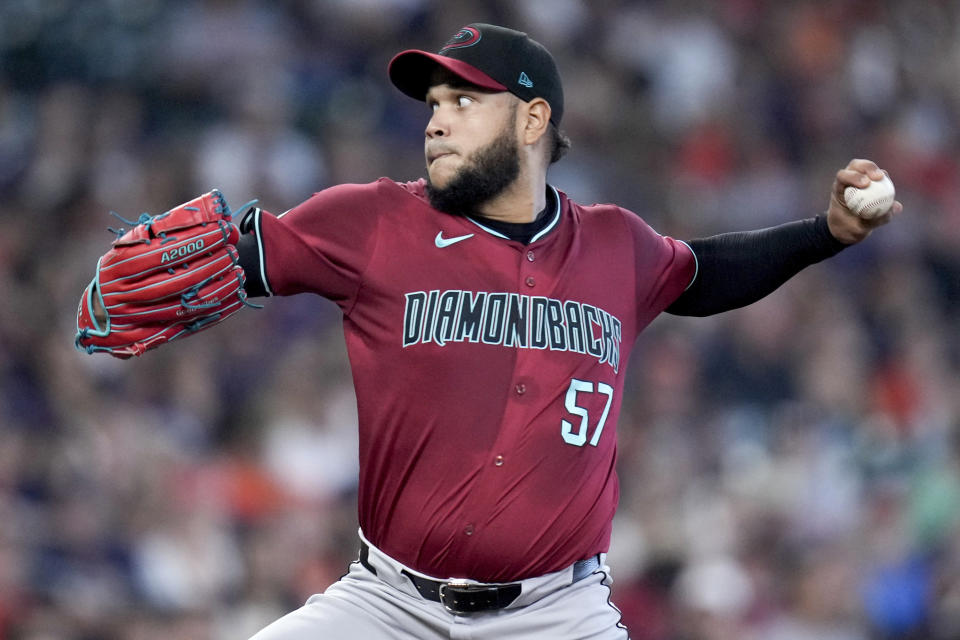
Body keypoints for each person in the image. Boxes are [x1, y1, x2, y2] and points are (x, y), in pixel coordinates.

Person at [82, 23, 901, 640]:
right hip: (387, 605)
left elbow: (706, 274)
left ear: (533, 119)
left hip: (558, 612)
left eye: (465, 101)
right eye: (434, 105)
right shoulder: (369, 220)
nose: (437, 122)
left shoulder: (618, 244)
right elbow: (248, 255)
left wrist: (822, 233)